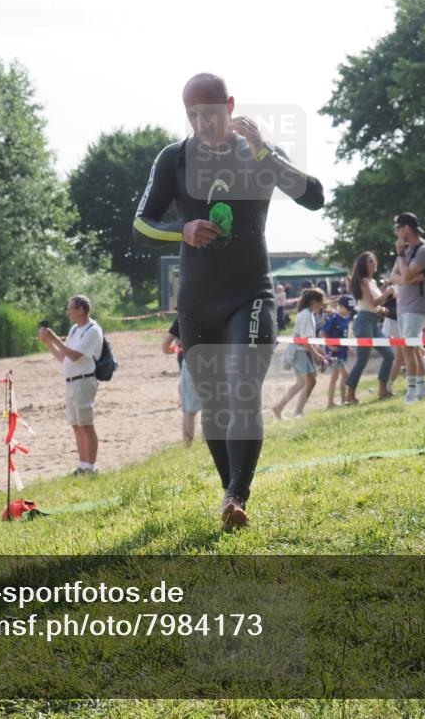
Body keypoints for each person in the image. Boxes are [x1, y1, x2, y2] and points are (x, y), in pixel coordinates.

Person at [132, 72, 324, 531]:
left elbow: (314, 196)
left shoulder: (257, 154)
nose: (202, 123)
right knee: (215, 405)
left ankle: (238, 493)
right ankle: (229, 498)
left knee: (242, 388)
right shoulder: (174, 158)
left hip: (251, 294)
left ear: (230, 106)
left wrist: (265, 152)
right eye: (192, 115)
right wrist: (182, 230)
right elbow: (141, 224)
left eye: (210, 114)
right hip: (197, 302)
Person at [40, 295, 104, 473]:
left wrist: (54, 338)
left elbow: (75, 355)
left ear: (81, 310)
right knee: (76, 425)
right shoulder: (74, 329)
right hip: (70, 382)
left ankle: (91, 466)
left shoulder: (93, 330)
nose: (68, 312)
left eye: (71, 308)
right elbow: (64, 357)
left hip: (84, 381)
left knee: (86, 424)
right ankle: (83, 464)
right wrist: (48, 343)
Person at [389, 213, 425, 404]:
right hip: (403, 305)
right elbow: (394, 276)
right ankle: (422, 390)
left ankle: (411, 392)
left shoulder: (423, 250)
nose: (395, 232)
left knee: (408, 348)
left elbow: (406, 274)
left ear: (406, 228)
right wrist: (406, 279)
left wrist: (401, 256)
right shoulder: (407, 250)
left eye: (397, 228)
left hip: (417, 305)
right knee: (414, 349)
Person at [344, 252, 395, 403]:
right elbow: (372, 303)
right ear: (364, 265)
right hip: (364, 322)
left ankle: (382, 390)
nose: (374, 263)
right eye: (370, 261)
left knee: (389, 355)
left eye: (374, 260)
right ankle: (350, 396)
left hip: (372, 321)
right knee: (362, 361)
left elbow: (372, 305)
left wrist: (381, 310)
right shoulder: (364, 282)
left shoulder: (370, 282)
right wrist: (388, 291)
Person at [272, 288, 328, 419]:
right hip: (298, 351)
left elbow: (309, 338)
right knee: (307, 381)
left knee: (305, 382)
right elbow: (305, 339)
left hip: (300, 351)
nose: (322, 305)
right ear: (314, 302)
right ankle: (295, 411)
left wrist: (318, 351)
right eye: (321, 302)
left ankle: (281, 408)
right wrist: (316, 354)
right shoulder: (306, 315)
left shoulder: (308, 314)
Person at [163, 316, 200, 447]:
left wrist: (177, 349)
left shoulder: (182, 317)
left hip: (189, 364)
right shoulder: (213, 310)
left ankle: (188, 445)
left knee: (189, 410)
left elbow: (165, 346)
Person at [321, 294, 355, 408]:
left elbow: (343, 337)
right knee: (346, 375)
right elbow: (322, 333)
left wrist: (348, 347)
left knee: (334, 378)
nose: (349, 312)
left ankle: (331, 403)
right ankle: (343, 400)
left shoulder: (345, 320)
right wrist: (329, 345)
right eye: (347, 309)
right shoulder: (333, 319)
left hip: (342, 352)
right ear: (340, 306)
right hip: (334, 353)